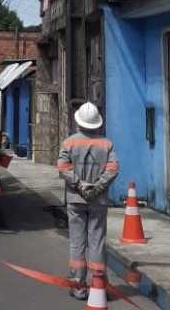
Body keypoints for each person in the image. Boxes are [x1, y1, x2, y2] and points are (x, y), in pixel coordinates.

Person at [57, 102, 119, 300]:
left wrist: (79, 185)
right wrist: (98, 186)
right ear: (97, 123)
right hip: (98, 201)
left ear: (79, 122)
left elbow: (63, 167)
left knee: (77, 243)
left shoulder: (69, 143)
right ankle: (98, 286)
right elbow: (113, 169)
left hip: (75, 200)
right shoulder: (106, 144)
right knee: (97, 243)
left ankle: (79, 288)